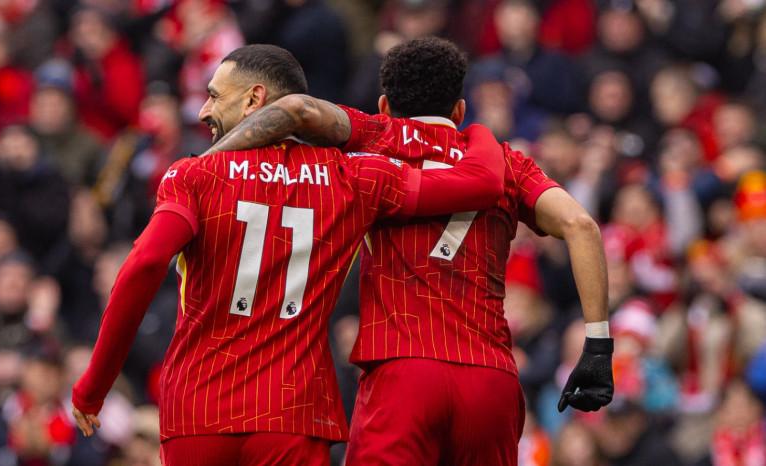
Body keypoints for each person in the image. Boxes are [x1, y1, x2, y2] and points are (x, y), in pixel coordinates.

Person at [71, 44, 506, 466]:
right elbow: (482, 183)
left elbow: (145, 264)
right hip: (294, 415)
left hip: (199, 411)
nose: (203, 111)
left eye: (214, 96)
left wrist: (94, 386)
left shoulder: (194, 175)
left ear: (254, 99)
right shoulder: (353, 177)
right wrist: (480, 135)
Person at [211, 37, 614, 465]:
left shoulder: (375, 136)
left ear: (384, 105)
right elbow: (581, 225)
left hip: (402, 371)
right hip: (489, 377)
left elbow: (297, 109)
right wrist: (597, 346)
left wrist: (205, 164)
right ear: (459, 110)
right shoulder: (507, 163)